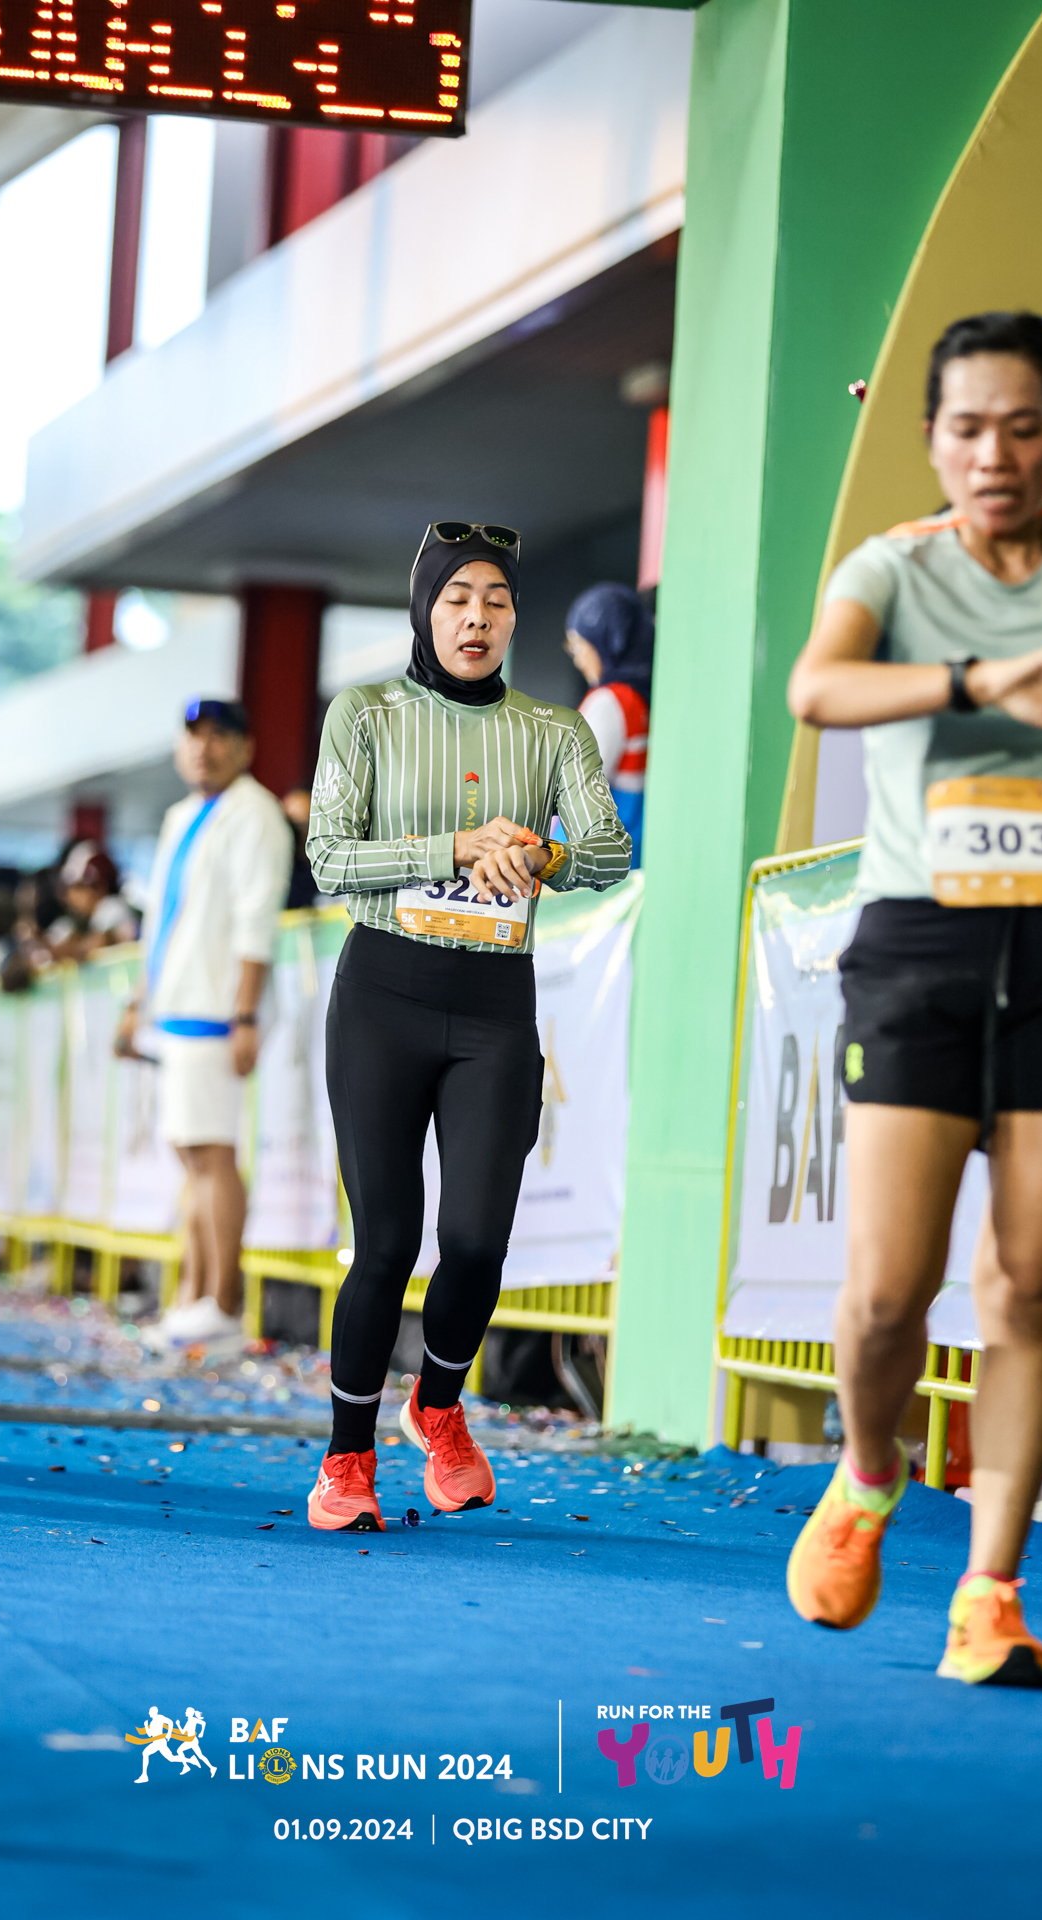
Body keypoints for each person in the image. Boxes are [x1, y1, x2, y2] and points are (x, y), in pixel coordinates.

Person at [785, 311, 1042, 1687]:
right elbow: (816, 687)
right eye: (966, 428)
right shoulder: (893, 568)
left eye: (1021, 428)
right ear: (930, 438)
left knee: (1025, 1284)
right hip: (921, 944)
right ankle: (868, 1474)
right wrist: (983, 679)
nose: (992, 454)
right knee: (884, 1296)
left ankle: (990, 1595)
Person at [304, 522, 631, 1531]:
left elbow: (610, 853)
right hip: (382, 998)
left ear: (515, 618)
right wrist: (452, 845)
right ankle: (346, 1459)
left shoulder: (555, 732)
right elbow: (328, 858)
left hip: (493, 1008)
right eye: (455, 598)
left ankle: (438, 1409)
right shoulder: (364, 715)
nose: (476, 617)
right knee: (386, 1242)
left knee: (479, 1241)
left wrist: (539, 856)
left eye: (495, 599)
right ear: (425, 610)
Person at [118, 697, 293, 1357]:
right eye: (193, 736)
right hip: (177, 1007)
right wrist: (138, 1002)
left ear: (245, 748)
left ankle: (221, 1303)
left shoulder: (255, 814)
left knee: (212, 1155)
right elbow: (160, 923)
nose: (204, 748)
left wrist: (244, 1012)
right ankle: (191, 1298)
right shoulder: (181, 816)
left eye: (220, 736)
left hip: (216, 1011)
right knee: (192, 1157)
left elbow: (256, 920)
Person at [564, 582, 654, 868]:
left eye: (578, 645)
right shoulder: (645, 700)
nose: (578, 659)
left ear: (608, 640)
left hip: (589, 868)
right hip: (634, 863)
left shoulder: (608, 702)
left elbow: (574, 795)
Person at [45, 842, 139, 962]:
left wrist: (71, 948)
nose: (70, 896)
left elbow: (102, 941)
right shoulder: (78, 921)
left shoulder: (112, 908)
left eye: (78, 887)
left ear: (99, 887)